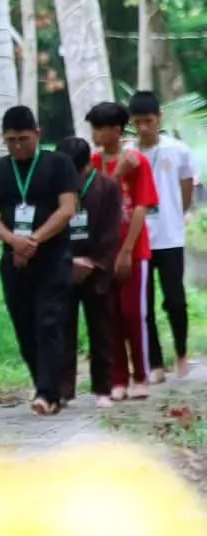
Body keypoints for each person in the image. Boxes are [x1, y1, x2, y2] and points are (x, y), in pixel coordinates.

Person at [0, 106, 77, 415]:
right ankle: (45, 388)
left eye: (24, 138)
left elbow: (67, 209)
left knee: (49, 321)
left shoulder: (58, 164)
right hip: (14, 259)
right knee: (24, 326)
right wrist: (14, 242)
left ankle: (47, 393)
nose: (18, 145)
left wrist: (35, 239)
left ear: (38, 134)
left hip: (53, 256)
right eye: (11, 140)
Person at [86, 101, 160, 401]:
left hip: (133, 249)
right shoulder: (91, 163)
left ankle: (141, 375)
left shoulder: (137, 162)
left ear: (115, 130)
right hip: (103, 251)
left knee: (133, 314)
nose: (95, 134)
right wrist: (117, 176)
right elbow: (94, 201)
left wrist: (128, 250)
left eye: (99, 129)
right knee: (110, 315)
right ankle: (118, 378)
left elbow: (141, 207)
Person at [128, 90, 196, 380]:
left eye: (149, 121)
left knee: (176, 300)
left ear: (159, 118)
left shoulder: (176, 149)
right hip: (139, 237)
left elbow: (186, 185)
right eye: (139, 122)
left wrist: (176, 214)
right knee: (143, 303)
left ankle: (181, 353)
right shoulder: (129, 154)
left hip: (169, 235)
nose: (144, 127)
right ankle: (154, 363)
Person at [54, 137, 122, 409]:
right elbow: (52, 227)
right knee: (63, 330)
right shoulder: (55, 190)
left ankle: (103, 388)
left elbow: (112, 230)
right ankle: (64, 389)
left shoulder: (108, 187)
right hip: (63, 268)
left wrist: (92, 262)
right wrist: (68, 261)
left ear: (85, 166)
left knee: (101, 330)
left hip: (97, 271)